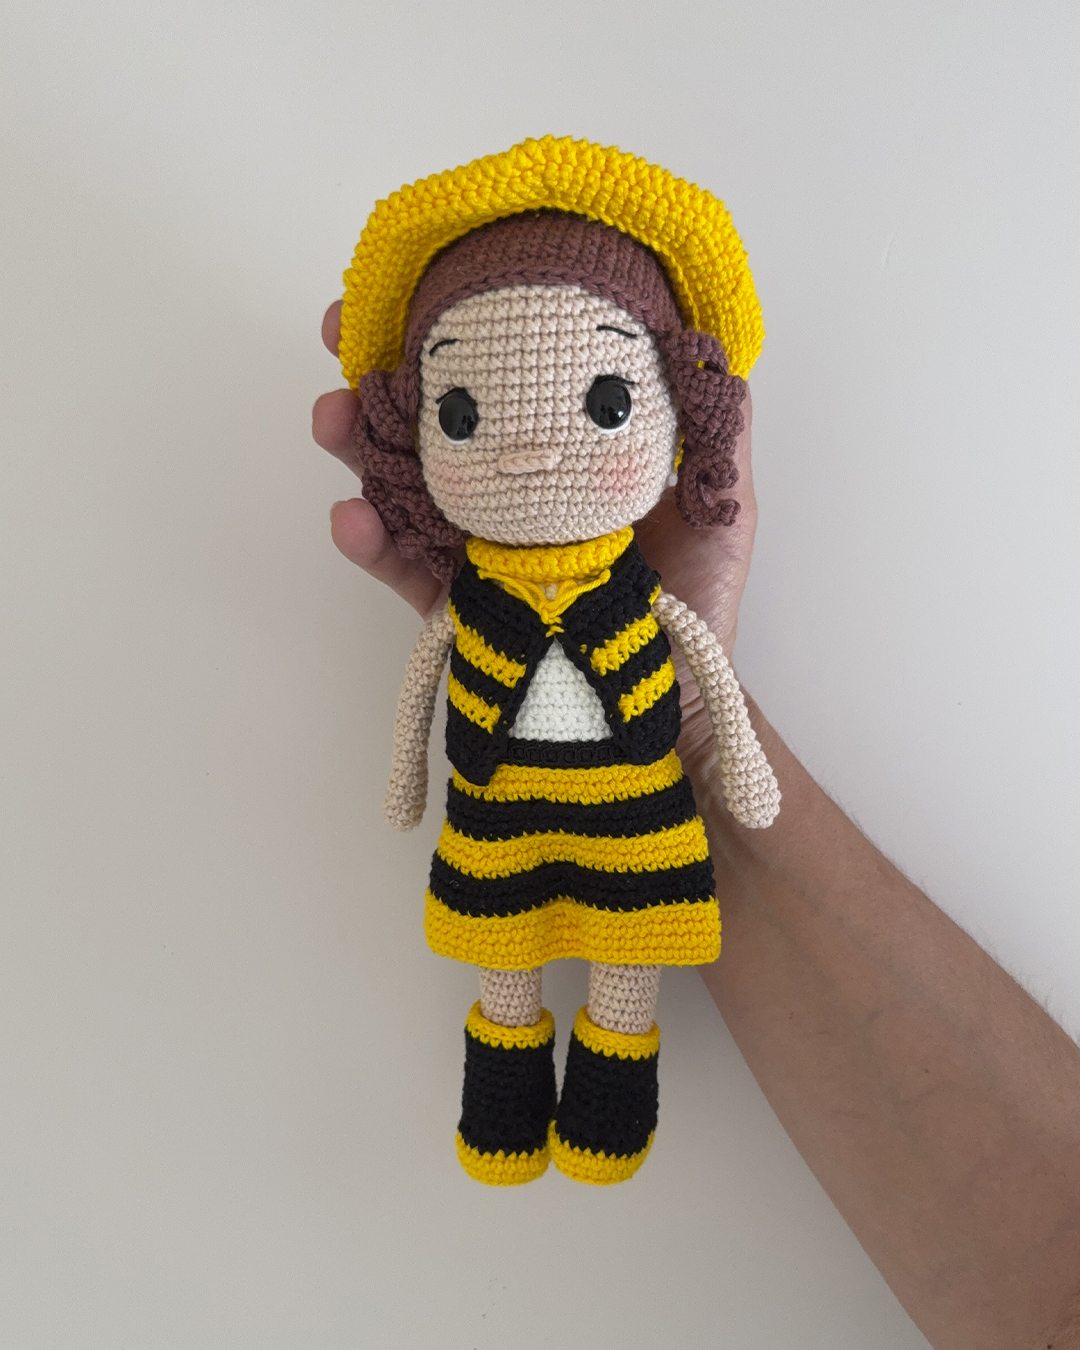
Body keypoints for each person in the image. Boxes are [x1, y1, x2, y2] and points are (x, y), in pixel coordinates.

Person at [313, 293, 1080, 1350]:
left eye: (606, 400)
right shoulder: (473, 605)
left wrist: (731, 768)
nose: (532, 451)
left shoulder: (640, 601)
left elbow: (702, 674)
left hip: (637, 828)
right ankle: (501, 1107)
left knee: (629, 965)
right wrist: (407, 777)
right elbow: (422, 690)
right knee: (506, 961)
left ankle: (608, 1107)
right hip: (500, 832)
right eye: (462, 417)